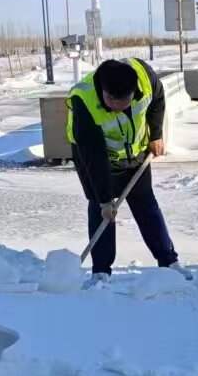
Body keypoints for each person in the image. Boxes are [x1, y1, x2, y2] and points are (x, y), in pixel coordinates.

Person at [68, 56, 181, 280]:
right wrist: (104, 199)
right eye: (113, 104)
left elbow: (157, 99)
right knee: (103, 214)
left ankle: (168, 261)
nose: (119, 110)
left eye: (125, 103)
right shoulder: (84, 100)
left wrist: (156, 135)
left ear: (133, 91)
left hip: (135, 154)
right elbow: (94, 154)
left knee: (146, 205)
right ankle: (101, 272)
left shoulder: (144, 78)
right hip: (98, 158)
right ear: (104, 92)